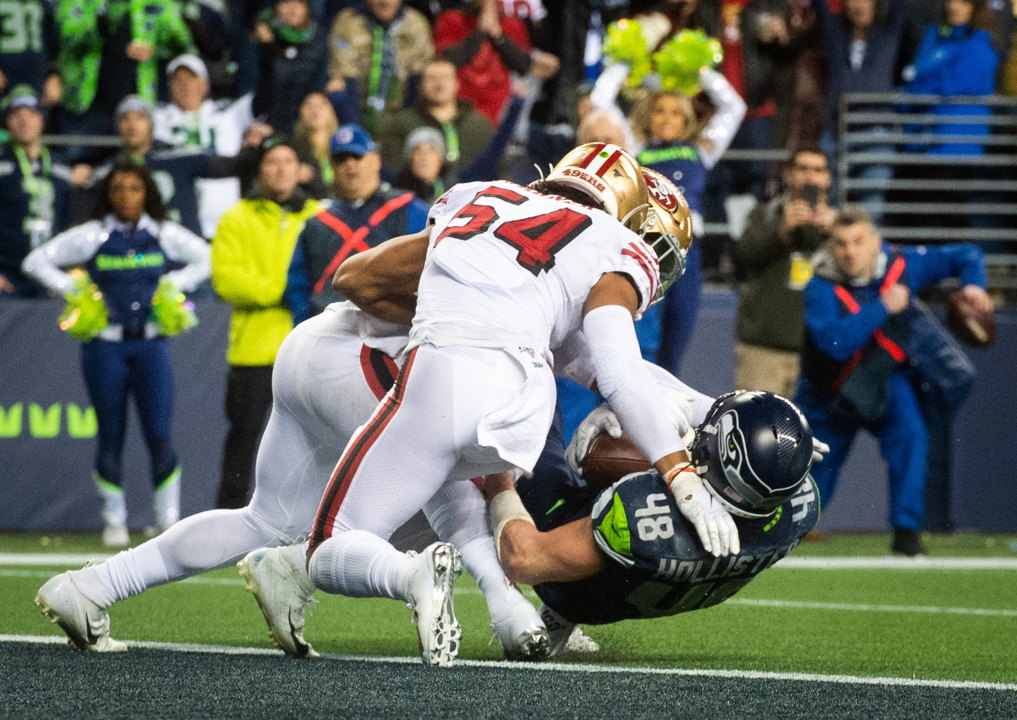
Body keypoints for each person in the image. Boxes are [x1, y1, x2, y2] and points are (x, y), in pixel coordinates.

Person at [303, 143, 740, 666]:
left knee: (329, 548)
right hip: (526, 399)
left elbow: (354, 278)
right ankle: (512, 598)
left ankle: (412, 574)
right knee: (465, 489)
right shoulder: (615, 244)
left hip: (444, 372)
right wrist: (695, 452)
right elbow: (614, 370)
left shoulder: (473, 195)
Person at [490, 390, 819, 654]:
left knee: (533, 406)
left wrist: (496, 478)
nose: (700, 434)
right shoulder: (801, 506)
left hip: (572, 587)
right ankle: (560, 618)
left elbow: (524, 559)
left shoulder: (644, 516)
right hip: (635, 593)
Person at [22, 161, 210, 545]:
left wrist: (174, 283)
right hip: (105, 344)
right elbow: (34, 260)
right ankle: (114, 522)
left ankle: (168, 522)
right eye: (118, 189)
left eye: (135, 189)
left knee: (159, 434)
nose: (126, 197)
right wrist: (75, 289)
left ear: (148, 193)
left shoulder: (163, 233)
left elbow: (207, 257)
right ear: (107, 195)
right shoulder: (92, 235)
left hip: (151, 342)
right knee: (111, 434)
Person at [795, 206, 991, 556]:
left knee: (911, 436)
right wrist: (883, 306)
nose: (849, 252)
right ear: (831, 246)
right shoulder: (819, 285)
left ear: (876, 243)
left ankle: (906, 534)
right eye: (840, 243)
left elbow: (966, 255)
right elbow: (834, 344)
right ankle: (786, 533)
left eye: (858, 242)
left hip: (885, 378)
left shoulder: (901, 265)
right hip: (830, 392)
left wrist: (975, 287)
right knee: (810, 474)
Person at [210, 136, 322, 510]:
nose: (281, 169)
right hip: (253, 351)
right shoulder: (235, 217)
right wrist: (291, 287)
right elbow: (227, 280)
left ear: (300, 169)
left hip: (308, 348)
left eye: (289, 161)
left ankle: (309, 521)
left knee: (315, 443)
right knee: (243, 441)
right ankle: (227, 520)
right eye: (272, 161)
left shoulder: (318, 215)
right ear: (260, 168)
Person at [632, 67, 747, 378]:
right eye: (659, 111)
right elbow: (603, 105)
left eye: (675, 112)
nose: (667, 118)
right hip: (646, 252)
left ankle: (665, 418)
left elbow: (735, 108)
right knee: (643, 346)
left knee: (676, 344)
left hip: (687, 254)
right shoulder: (635, 150)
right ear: (648, 116)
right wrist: (625, 64)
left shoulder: (703, 150)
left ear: (686, 118)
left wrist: (700, 67)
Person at [285, 124, 429, 320]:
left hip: (392, 329)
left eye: (357, 156)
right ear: (332, 166)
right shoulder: (316, 223)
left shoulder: (409, 208)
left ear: (376, 160)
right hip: (331, 329)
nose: (350, 165)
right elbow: (297, 286)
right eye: (341, 159)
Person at [82, 95, 260, 238]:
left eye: (139, 118)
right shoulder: (110, 171)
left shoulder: (178, 156)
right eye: (125, 119)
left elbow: (232, 167)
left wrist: (255, 148)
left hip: (186, 258)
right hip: (139, 262)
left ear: (151, 125)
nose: (132, 124)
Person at [734, 146, 835, 397]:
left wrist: (834, 236)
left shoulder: (840, 227)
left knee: (813, 435)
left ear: (828, 178)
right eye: (803, 169)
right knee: (756, 431)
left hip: (819, 356)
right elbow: (744, 257)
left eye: (818, 170)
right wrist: (782, 230)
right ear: (788, 174)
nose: (810, 177)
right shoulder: (764, 214)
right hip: (764, 350)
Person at [56, 0, 195, 149]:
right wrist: (94, 32)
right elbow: (62, 39)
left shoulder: (156, 2)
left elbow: (185, 45)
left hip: (138, 105)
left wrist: (154, 49)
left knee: (140, 166)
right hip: (86, 103)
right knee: (80, 163)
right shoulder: (80, 3)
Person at [152, 54, 258, 238]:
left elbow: (266, 96)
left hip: (224, 224)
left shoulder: (228, 114)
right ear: (169, 86)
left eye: (192, 78)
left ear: (205, 84)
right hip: (176, 227)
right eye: (178, 79)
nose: (185, 85)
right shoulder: (156, 118)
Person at [0, 86, 73, 297]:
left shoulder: (59, 167)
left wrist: (64, 272)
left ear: (42, 119)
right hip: (7, 276)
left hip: (49, 275)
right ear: (7, 121)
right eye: (17, 115)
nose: (24, 122)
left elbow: (69, 222)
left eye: (31, 114)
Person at [434, 0, 555, 125]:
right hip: (459, 106)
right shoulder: (451, 19)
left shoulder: (512, 24)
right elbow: (446, 62)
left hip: (500, 109)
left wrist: (498, 35)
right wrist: (480, 32)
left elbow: (523, 67)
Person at [327, 0, 434, 130]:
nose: (385, 2)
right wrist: (355, 127)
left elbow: (419, 72)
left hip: (403, 108)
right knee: (336, 89)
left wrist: (406, 123)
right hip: (358, 104)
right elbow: (345, 73)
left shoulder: (416, 23)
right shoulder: (348, 22)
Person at [375, 59, 494, 173]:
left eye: (445, 78)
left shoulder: (478, 124)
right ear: (421, 85)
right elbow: (392, 165)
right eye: (432, 78)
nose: (439, 84)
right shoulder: (403, 123)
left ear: (456, 83)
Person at [251, 0, 330, 135]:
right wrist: (267, 46)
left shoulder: (320, 39)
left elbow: (315, 85)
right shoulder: (260, 38)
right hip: (266, 115)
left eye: (299, 4)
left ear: (307, 9)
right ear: (276, 7)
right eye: (286, 3)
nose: (293, 9)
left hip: (303, 120)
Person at [0, 0, 60, 104]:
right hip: (4, 79)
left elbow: (54, 44)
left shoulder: (43, 5)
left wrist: (53, 75)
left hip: (37, 80)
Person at [291, 91, 339, 200]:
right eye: (309, 105)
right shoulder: (293, 150)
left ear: (331, 112)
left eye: (322, 105)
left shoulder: (342, 147)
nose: (315, 110)